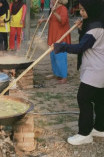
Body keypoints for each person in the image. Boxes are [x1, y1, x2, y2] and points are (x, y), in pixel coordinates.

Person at [53, 0, 104, 145]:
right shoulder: (97, 24)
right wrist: (81, 30)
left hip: (95, 70)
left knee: (84, 98)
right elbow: (89, 43)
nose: (81, 13)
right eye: (80, 10)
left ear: (92, 9)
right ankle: (100, 128)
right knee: (100, 100)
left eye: (83, 10)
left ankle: (84, 134)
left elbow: (81, 47)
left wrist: (61, 47)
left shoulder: (95, 29)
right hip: (100, 69)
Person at [39, 0, 71, 84]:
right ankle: (57, 74)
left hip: (60, 37)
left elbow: (63, 21)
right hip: (53, 36)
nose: (51, 1)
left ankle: (64, 76)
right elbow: (52, 19)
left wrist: (55, 12)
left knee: (60, 58)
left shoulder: (63, 8)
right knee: (53, 57)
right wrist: (43, 20)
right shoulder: (54, 8)